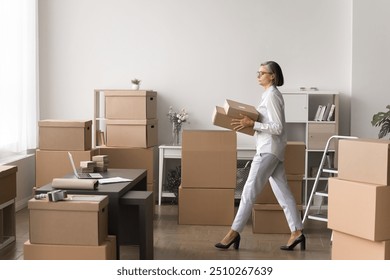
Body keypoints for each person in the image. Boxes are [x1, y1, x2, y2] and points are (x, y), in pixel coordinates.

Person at [215, 61, 305, 251]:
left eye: (262, 73)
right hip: (273, 150)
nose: (258, 76)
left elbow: (278, 127)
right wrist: (251, 123)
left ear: (272, 76)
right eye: (258, 72)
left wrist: (252, 124)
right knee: (284, 193)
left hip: (268, 150)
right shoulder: (269, 95)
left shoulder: (272, 95)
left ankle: (234, 232)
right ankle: (297, 232)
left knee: (248, 191)